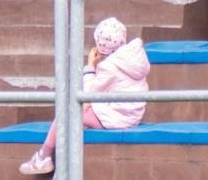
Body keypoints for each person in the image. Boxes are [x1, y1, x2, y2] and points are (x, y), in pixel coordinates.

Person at [18, 16, 148, 176]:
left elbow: (87, 93)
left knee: (67, 113)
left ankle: (44, 156)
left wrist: (90, 66)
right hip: (129, 113)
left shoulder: (109, 67)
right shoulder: (132, 57)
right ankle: (59, 166)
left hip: (118, 116)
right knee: (78, 117)